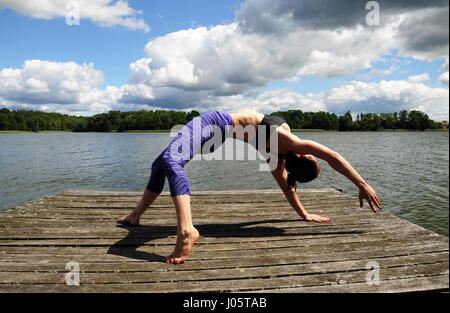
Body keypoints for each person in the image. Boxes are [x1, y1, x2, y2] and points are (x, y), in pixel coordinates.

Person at [117, 110, 382, 264]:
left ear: (305, 158)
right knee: (160, 163)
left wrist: (362, 183)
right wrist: (304, 214)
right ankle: (136, 215)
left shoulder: (287, 143)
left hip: (215, 123)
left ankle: (187, 230)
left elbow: (332, 156)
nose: (313, 154)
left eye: (313, 158)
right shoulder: (278, 158)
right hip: (218, 131)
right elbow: (289, 189)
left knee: (170, 160)